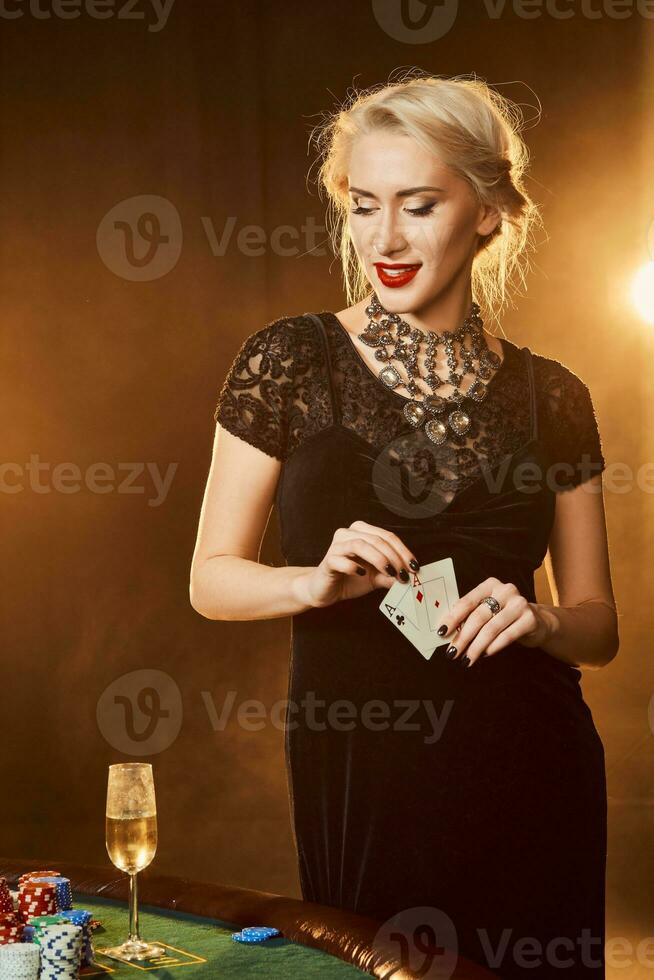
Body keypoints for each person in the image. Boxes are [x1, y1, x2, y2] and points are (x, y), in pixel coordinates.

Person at [190, 71, 619, 979]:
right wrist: (311, 580)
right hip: (364, 770)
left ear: (491, 212)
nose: (384, 239)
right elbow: (211, 578)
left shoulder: (556, 395)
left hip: (533, 766)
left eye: (418, 205)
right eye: (363, 206)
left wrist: (543, 620)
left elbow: (599, 624)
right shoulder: (289, 359)